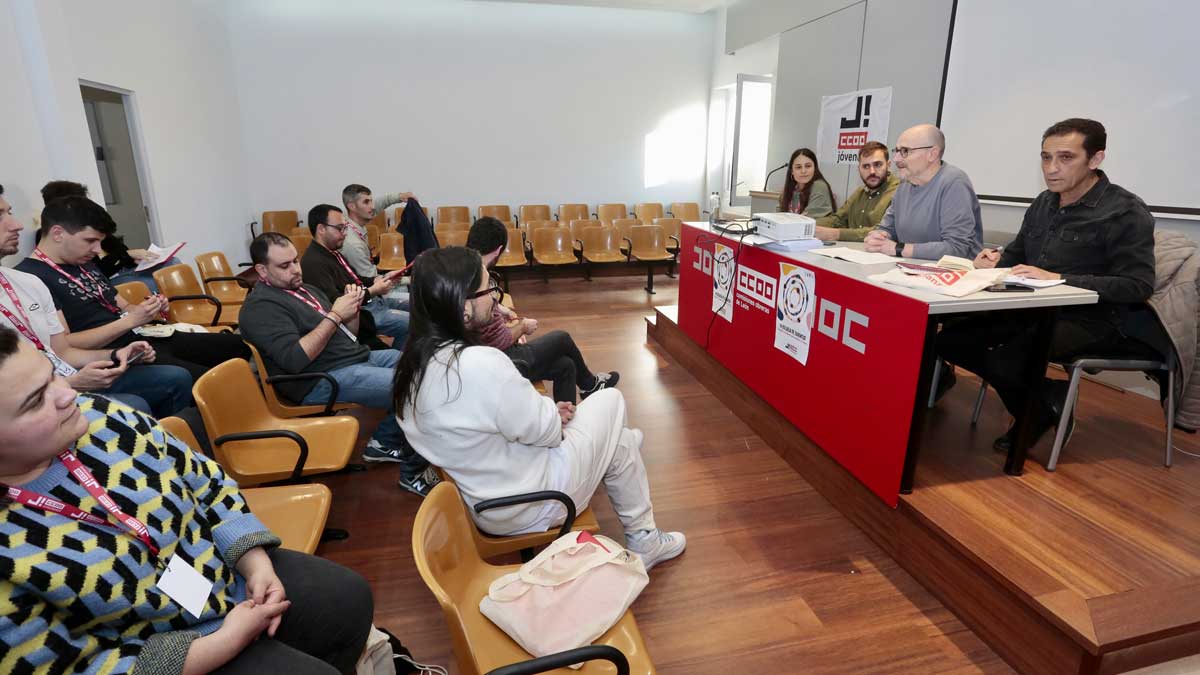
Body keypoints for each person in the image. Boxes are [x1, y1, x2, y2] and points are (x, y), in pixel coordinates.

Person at [0, 326, 374, 673]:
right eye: (35, 401)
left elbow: (207, 482)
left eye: (51, 374)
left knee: (347, 598)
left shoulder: (103, 416)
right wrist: (226, 641)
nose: (67, 394)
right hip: (161, 649)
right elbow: (75, 668)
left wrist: (254, 564)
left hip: (225, 574)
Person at [393, 246, 686, 570]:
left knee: (620, 442)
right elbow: (547, 433)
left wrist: (543, 414)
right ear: (462, 307)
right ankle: (643, 537)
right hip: (533, 501)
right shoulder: (480, 364)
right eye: (489, 287)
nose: (495, 297)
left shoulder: (410, 369)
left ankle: (637, 509)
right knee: (610, 400)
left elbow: (484, 425)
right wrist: (548, 413)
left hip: (486, 500)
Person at [937, 118, 1157, 452]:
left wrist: (1061, 279)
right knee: (949, 339)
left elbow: (1137, 285)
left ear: (1095, 159)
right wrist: (994, 262)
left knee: (1007, 357)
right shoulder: (1043, 202)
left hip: (1093, 319)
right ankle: (1045, 399)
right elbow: (1016, 257)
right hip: (1031, 308)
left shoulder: (1124, 211)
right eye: (1045, 157)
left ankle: (1035, 414)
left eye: (1065, 158)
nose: (1051, 168)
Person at [240, 232, 438, 496]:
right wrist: (334, 315)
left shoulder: (305, 290)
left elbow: (350, 335)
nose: (296, 270)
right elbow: (295, 359)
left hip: (355, 358)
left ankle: (384, 442)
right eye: (284, 266)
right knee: (417, 387)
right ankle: (412, 473)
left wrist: (352, 310)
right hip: (318, 378)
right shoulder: (260, 308)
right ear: (262, 270)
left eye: (296, 261)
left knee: (429, 365)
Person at [0, 185, 192, 417]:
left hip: (73, 372)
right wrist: (72, 382)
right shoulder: (35, 275)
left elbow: (62, 352)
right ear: (59, 233)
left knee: (188, 370)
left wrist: (116, 354)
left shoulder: (25, 284)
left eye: (9, 212)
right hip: (43, 394)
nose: (17, 224)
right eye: (1, 216)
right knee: (147, 398)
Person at [15, 196, 249, 382]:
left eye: (100, 241)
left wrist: (147, 308)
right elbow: (66, 345)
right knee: (206, 378)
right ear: (57, 233)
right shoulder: (32, 277)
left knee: (236, 346)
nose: (97, 249)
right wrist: (130, 321)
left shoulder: (83, 263)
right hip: (113, 352)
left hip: (140, 336)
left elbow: (123, 306)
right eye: (90, 240)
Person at [467, 216, 618, 403]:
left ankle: (564, 424)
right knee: (562, 338)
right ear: (499, 250)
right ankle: (589, 384)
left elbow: (478, 307)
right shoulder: (479, 276)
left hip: (489, 358)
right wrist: (522, 327)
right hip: (502, 361)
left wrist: (500, 308)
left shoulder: (464, 269)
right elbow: (498, 341)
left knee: (566, 365)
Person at [863, 124, 983, 259]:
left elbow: (956, 247)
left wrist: (898, 248)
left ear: (932, 154)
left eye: (905, 151)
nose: (896, 158)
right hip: (909, 269)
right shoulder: (904, 184)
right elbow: (887, 229)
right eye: (896, 151)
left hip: (953, 274)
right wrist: (877, 238)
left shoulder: (954, 182)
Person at [40, 181, 180, 292]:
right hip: (107, 280)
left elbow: (120, 251)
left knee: (172, 263)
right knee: (152, 283)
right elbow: (95, 271)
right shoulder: (60, 237)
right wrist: (126, 255)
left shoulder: (93, 227)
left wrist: (136, 259)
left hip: (124, 271)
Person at [301, 203, 409, 345]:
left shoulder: (332, 252)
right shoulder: (313, 263)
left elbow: (357, 280)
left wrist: (380, 278)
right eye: (340, 228)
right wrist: (373, 291)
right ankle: (402, 363)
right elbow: (335, 303)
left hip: (367, 304)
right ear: (321, 229)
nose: (345, 233)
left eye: (345, 227)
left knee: (415, 306)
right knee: (412, 323)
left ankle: (401, 359)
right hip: (358, 315)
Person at [813, 141, 900, 242]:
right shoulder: (859, 192)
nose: (872, 171)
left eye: (877, 165)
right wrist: (807, 224)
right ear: (858, 169)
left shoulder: (899, 192)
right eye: (866, 166)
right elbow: (837, 220)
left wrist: (837, 234)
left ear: (888, 165)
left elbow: (883, 231)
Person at [340, 183, 416, 283]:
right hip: (367, 286)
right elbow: (373, 280)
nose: (372, 207)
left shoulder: (349, 222)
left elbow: (381, 202)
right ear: (352, 206)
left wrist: (400, 197)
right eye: (366, 202)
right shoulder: (353, 244)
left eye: (371, 201)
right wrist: (408, 280)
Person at [777, 148, 836, 218]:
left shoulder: (819, 186)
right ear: (792, 171)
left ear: (815, 168)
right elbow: (778, 216)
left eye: (808, 166)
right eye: (798, 167)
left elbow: (807, 220)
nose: (803, 171)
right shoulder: (788, 190)